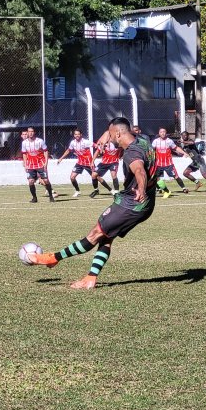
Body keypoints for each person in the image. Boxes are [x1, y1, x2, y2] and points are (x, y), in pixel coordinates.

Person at [25, 117, 158, 289]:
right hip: (144, 203)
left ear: (118, 133)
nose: (108, 140)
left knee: (96, 233)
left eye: (110, 136)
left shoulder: (132, 153)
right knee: (107, 237)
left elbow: (139, 170)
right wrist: (105, 135)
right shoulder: (143, 140)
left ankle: (53, 258)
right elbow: (122, 134)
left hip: (132, 203)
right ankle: (91, 278)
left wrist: (140, 187)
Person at [56, 129, 97, 198]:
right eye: (75, 134)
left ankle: (99, 189)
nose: (77, 135)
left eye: (78, 134)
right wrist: (61, 158)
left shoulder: (86, 142)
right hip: (80, 163)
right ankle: (77, 191)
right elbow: (68, 150)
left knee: (96, 176)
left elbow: (95, 146)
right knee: (72, 177)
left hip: (88, 163)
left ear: (81, 135)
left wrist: (101, 150)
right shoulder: (73, 143)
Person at [152, 127, 190, 198]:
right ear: (159, 133)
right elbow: (151, 150)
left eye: (164, 132)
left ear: (166, 133)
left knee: (176, 176)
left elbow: (176, 148)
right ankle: (161, 189)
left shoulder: (169, 141)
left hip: (168, 164)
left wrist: (184, 153)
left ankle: (184, 188)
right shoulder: (155, 141)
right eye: (161, 132)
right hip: (158, 164)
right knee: (155, 178)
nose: (162, 133)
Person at [22, 127, 54, 203]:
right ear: (27, 133)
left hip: (40, 164)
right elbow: (24, 154)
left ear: (34, 132)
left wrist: (46, 162)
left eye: (32, 131)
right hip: (30, 165)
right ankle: (34, 198)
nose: (30, 133)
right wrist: (25, 164)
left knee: (46, 180)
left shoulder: (40, 141)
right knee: (31, 181)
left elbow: (45, 151)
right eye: (29, 131)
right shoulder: (24, 143)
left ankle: (51, 196)